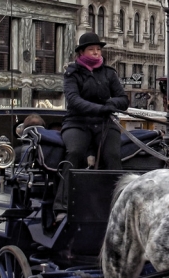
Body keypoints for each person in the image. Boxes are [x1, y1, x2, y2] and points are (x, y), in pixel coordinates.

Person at [53, 32, 129, 221]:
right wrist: (100, 108)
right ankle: (62, 205)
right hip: (77, 122)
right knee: (75, 152)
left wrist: (113, 104)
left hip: (105, 122)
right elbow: (73, 100)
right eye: (91, 50)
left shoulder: (109, 73)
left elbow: (123, 99)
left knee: (112, 155)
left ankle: (118, 203)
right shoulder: (72, 73)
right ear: (82, 52)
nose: (96, 53)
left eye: (98, 49)